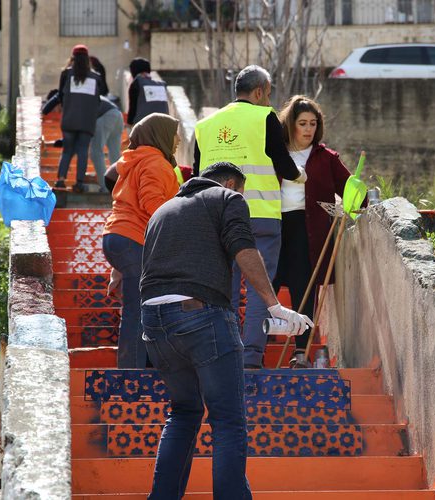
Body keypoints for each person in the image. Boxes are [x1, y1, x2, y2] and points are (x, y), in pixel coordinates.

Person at [141, 161, 312, 499]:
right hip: (202, 315)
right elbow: (244, 247)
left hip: (155, 323)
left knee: (184, 412)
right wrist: (273, 304)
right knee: (227, 420)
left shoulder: (162, 211)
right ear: (232, 183)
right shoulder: (227, 198)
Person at [194, 64, 307, 368]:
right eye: (268, 94)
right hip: (260, 217)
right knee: (260, 288)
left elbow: (195, 177)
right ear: (259, 92)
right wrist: (300, 176)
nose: (269, 100)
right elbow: (282, 163)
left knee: (223, 288)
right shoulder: (263, 117)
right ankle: (251, 358)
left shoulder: (204, 126)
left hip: (214, 218)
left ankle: (225, 355)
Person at [275, 95, 365, 367]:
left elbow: (352, 191)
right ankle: (251, 349)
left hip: (308, 230)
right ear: (290, 125)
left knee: (304, 290)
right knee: (268, 285)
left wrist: (363, 199)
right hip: (275, 227)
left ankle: (301, 353)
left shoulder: (325, 158)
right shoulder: (275, 153)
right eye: (302, 123)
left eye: (313, 123)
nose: (308, 129)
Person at [102, 113, 183, 368]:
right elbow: (152, 203)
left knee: (140, 306)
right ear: (160, 135)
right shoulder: (156, 163)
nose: (178, 140)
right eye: (174, 134)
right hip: (132, 239)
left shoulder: (134, 160)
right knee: (137, 310)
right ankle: (131, 373)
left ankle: (140, 363)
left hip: (118, 236)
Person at [52, 45, 104, 192]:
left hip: (69, 118)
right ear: (87, 59)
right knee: (82, 151)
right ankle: (79, 182)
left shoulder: (66, 74)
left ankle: (61, 180)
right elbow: (99, 99)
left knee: (67, 150)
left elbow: (60, 95)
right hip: (87, 120)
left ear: (72, 58)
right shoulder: (96, 77)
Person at [90, 95, 125, 191]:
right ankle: (120, 187)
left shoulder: (76, 99)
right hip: (118, 115)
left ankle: (105, 186)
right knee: (115, 154)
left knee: (96, 152)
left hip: (105, 116)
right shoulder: (91, 95)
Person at [127, 57, 169, 126]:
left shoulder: (137, 83)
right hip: (164, 126)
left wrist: (129, 123)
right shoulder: (162, 85)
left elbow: (133, 108)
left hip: (143, 127)